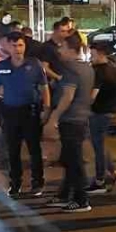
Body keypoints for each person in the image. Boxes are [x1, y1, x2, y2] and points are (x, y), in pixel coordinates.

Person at [0, 34, 50, 197]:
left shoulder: (34, 64)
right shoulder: (1, 66)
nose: (17, 49)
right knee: (13, 150)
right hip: (10, 113)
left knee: (34, 149)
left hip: (30, 112)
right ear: (7, 47)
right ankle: (15, 183)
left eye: (20, 45)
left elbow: (44, 88)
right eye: (14, 45)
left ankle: (37, 182)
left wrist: (47, 109)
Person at [45, 33, 95, 213]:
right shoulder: (87, 68)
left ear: (71, 49)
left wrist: (54, 117)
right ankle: (64, 194)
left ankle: (81, 200)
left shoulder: (70, 69)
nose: (59, 50)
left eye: (62, 47)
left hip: (71, 120)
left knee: (74, 161)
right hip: (80, 118)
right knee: (69, 159)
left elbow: (68, 96)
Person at [88, 41, 116, 194]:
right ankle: (114, 174)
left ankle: (100, 181)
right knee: (101, 144)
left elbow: (93, 95)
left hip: (99, 112)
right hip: (111, 110)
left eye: (92, 54)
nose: (90, 57)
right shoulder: (114, 68)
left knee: (98, 147)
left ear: (100, 53)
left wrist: (83, 107)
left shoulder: (98, 71)